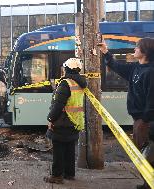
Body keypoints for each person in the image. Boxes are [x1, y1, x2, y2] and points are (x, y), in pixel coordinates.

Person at [99, 38, 154, 189]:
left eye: (137, 47)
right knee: (143, 154)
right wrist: (105, 52)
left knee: (147, 155)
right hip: (139, 119)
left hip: (146, 121)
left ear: (145, 52)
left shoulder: (151, 72)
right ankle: (147, 183)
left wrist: (145, 121)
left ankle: (149, 185)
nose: (134, 50)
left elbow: (152, 100)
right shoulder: (136, 68)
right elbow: (117, 66)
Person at [44, 58, 87, 184]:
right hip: (75, 120)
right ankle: (69, 173)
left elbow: (58, 105)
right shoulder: (80, 83)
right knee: (69, 148)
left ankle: (57, 176)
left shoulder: (66, 83)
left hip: (63, 120)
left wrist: (51, 119)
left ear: (66, 68)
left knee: (58, 150)